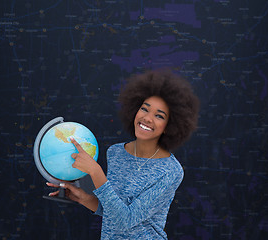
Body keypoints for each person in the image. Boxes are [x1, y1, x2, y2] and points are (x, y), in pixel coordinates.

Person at [47, 69, 200, 239]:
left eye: (159, 116)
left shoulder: (171, 171)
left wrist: (95, 172)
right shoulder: (115, 152)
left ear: (170, 126)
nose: (148, 118)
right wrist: (83, 198)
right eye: (144, 109)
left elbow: (126, 220)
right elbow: (113, 209)